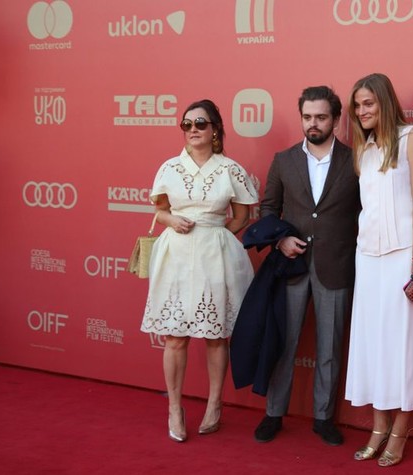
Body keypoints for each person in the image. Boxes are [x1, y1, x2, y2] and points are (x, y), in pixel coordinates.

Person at [140, 99, 258, 442]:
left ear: (215, 129)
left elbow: (242, 216)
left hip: (214, 255)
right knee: (175, 337)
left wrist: (213, 233)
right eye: (187, 124)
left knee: (215, 335)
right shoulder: (169, 168)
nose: (193, 129)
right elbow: (160, 211)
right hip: (176, 255)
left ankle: (214, 404)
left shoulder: (230, 169)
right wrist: (171, 220)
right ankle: (175, 409)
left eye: (201, 123)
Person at [253, 86, 360, 446]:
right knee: (284, 341)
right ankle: (273, 413)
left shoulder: (355, 160)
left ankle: (323, 417)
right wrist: (280, 240)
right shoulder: (283, 160)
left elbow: (371, 209)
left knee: (330, 348)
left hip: (337, 264)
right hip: (291, 265)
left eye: (321, 117)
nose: (313, 123)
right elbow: (269, 208)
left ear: (336, 119)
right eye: (307, 117)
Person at [344, 73, 413, 467]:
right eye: (357, 105)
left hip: (403, 256)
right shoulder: (362, 150)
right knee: (374, 343)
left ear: (385, 102)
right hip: (367, 256)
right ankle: (378, 427)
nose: (362, 111)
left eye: (369, 103)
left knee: (404, 343)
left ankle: (400, 430)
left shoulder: (412, 138)